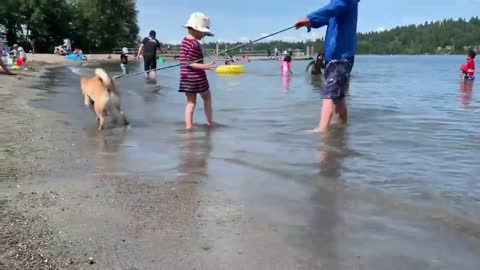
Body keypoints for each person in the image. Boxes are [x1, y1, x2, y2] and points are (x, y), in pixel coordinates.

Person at [295, 0, 359, 133]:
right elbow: (328, 16)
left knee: (328, 94)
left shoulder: (344, 1)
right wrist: (311, 22)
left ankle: (322, 130)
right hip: (340, 56)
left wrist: (309, 17)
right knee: (338, 96)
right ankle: (342, 128)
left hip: (339, 55)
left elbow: (334, 7)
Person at [179, 12, 215, 130]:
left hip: (185, 78)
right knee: (207, 97)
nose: (204, 34)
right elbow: (191, 63)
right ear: (195, 29)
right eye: (203, 32)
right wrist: (206, 66)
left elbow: (186, 62)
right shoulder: (194, 44)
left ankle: (188, 127)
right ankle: (210, 123)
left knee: (191, 102)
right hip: (196, 77)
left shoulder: (184, 42)